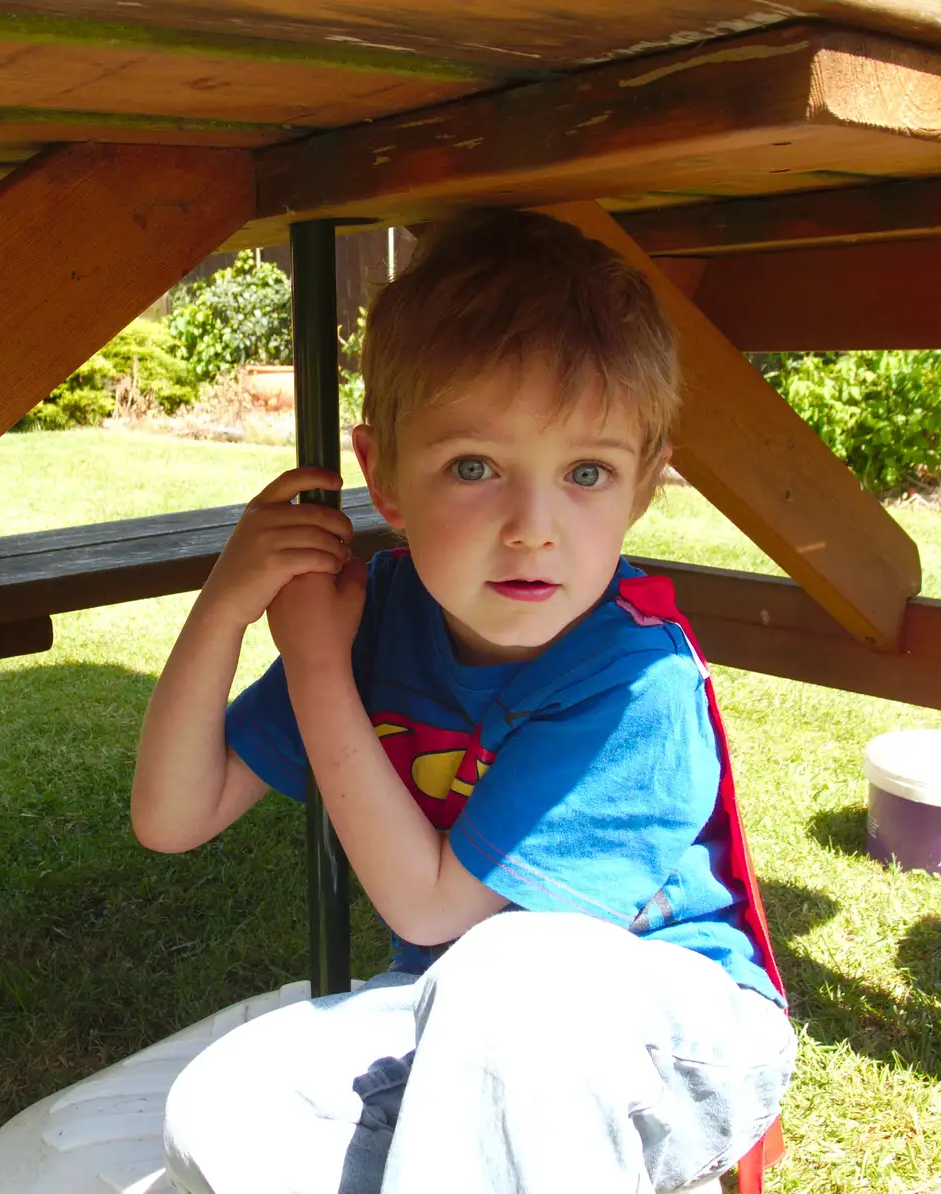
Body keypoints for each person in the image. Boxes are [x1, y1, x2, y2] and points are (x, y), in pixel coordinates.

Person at [130, 209, 795, 1194]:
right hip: (461, 1014)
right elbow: (171, 817)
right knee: (219, 1111)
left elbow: (434, 913)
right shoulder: (382, 616)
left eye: (586, 472)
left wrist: (316, 669)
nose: (533, 528)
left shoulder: (635, 687)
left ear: (645, 488)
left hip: (679, 1031)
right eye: (474, 468)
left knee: (512, 968)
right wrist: (226, 606)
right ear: (383, 476)